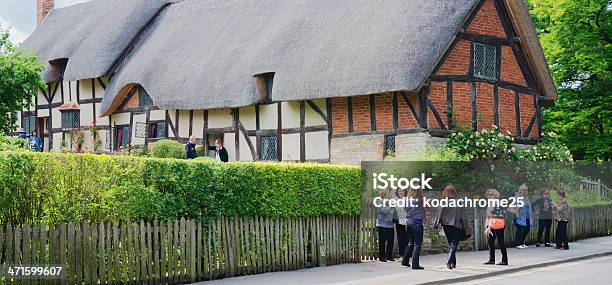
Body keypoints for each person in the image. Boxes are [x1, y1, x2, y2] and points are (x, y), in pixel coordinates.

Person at [433, 185, 471, 269]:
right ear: (454, 192)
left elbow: (438, 215)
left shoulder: (443, 201)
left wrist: (436, 224)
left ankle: (453, 263)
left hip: (446, 225)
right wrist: (467, 228)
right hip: (456, 225)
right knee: (454, 244)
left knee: (451, 244)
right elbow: (463, 216)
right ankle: (449, 261)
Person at [401, 186, 426, 270]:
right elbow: (428, 206)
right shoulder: (421, 200)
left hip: (408, 223)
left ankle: (405, 261)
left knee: (411, 242)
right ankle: (415, 264)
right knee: (417, 244)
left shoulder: (407, 200)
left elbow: (405, 209)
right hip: (417, 223)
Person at [484, 189, 508, 266]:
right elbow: (488, 217)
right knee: (490, 242)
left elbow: (503, 214)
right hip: (491, 225)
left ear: (495, 195)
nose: (489, 196)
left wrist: (493, 215)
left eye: (491, 194)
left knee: (501, 242)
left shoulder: (499, 203)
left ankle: (504, 260)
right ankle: (491, 260)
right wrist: (487, 227)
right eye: (488, 195)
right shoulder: (489, 204)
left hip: (498, 225)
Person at [375, 190, 395, 262]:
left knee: (391, 241)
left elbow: (393, 212)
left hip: (390, 224)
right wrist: (390, 206)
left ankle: (389, 256)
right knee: (382, 241)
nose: (388, 196)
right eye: (387, 195)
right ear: (383, 196)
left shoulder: (389, 202)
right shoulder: (379, 202)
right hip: (382, 224)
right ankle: (382, 257)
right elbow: (384, 212)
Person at [512, 184, 533, 249]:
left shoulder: (526, 198)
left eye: (526, 190)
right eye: (523, 190)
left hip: (526, 217)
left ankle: (522, 242)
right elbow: (513, 206)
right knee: (520, 230)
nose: (525, 192)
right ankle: (518, 243)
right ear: (520, 190)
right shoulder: (517, 197)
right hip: (519, 217)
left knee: (527, 229)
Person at [393, 186, 409, 260]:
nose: (401, 192)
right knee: (400, 238)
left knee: (407, 238)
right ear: (397, 192)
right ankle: (402, 255)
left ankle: (408, 255)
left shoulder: (408, 200)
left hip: (408, 220)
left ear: (405, 192)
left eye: (403, 191)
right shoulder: (395, 200)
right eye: (400, 191)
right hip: (399, 221)